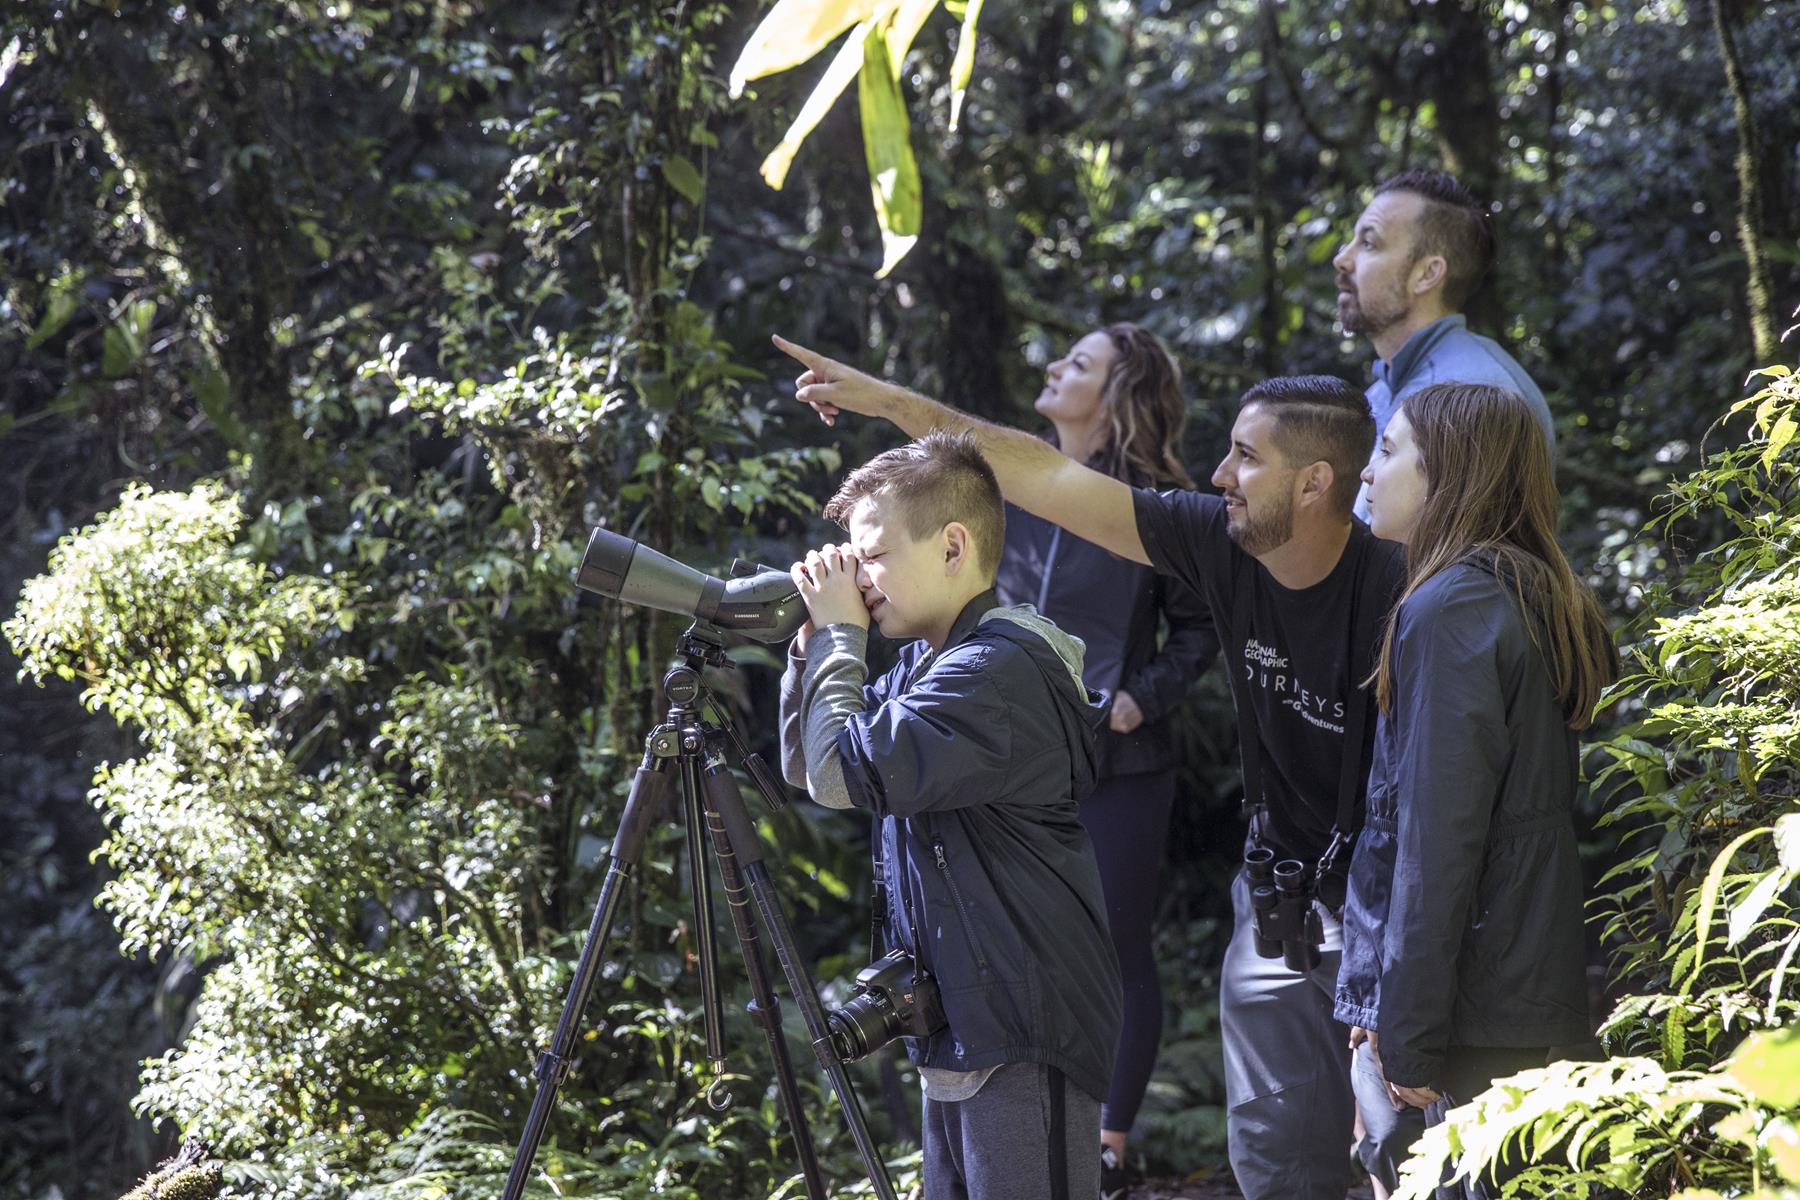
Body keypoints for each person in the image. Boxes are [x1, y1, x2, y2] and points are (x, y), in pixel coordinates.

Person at [773, 332, 1407, 1200]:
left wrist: (1139, 695)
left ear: (1315, 482)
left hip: (1384, 886)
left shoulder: (1402, 590)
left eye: (1245, 456)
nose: (1219, 474)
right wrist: (888, 402)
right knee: (1277, 1153)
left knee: (1400, 1143)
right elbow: (1036, 471)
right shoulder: (1218, 540)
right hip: (1281, 890)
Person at [777, 430, 1124, 1200]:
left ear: (952, 545)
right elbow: (812, 766)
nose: (859, 579)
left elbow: (840, 771)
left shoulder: (993, 674)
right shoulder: (924, 665)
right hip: (964, 1016)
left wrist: (840, 637)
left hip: (1022, 1028)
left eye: (871, 556)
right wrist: (811, 652)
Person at [1334, 382, 1615, 1198]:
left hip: (1470, 1013)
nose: (1366, 473)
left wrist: (1409, 1032)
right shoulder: (1526, 588)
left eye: (1388, 452)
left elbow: (1436, 840)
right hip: (1515, 996)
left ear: (1451, 473)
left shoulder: (1454, 606)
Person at [994, 324, 1218, 1200]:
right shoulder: (1003, 481)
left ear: (1120, 392)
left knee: (1115, 948)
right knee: (1011, 949)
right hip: (1004, 764)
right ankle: (1023, 1136)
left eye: (1078, 364)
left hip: (1119, 767)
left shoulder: (1154, 502)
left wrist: (1140, 697)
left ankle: (1108, 1147)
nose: (1053, 368)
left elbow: (1203, 629)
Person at [1334, 169, 1553, 524]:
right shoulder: (1383, 392)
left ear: (1426, 275)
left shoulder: (1467, 394)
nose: (1342, 259)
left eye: (1369, 243)